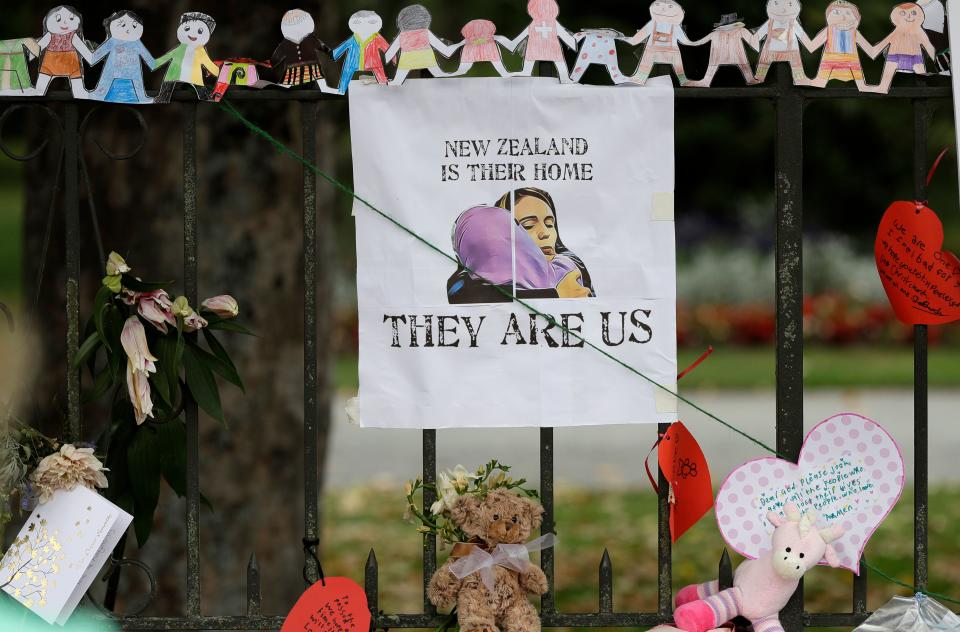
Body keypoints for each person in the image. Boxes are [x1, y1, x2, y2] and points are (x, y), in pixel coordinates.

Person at [447, 188, 594, 304]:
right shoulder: (466, 286)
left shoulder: (567, 268)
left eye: (550, 224)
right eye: (527, 226)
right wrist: (555, 295)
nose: (545, 233)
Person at [89, 10, 156, 104]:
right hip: (110, 85)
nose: (128, 29)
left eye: (134, 26)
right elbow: (94, 58)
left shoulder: (137, 43)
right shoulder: (112, 41)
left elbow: (151, 62)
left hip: (133, 88)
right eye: (123, 25)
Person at [867, 3, 937, 93]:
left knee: (921, 76)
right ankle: (883, 86)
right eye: (903, 13)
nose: (909, 16)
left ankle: (922, 90)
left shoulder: (918, 31)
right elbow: (882, 45)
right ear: (895, 16)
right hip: (894, 57)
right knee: (888, 74)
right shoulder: (897, 32)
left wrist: (936, 61)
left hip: (915, 57)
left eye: (914, 13)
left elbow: (928, 45)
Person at [808, 1, 876, 91]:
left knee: (860, 82)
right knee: (820, 81)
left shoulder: (854, 33)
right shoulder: (828, 31)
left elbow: (870, 51)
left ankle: (862, 86)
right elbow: (811, 46)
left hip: (851, 60)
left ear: (857, 18)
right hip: (830, 60)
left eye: (848, 13)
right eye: (836, 12)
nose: (843, 17)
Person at [385, 5, 461, 85]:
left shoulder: (402, 35)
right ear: (426, 19)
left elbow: (392, 50)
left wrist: (386, 59)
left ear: (402, 20)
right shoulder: (425, 32)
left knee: (399, 78)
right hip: (426, 57)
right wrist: (455, 46)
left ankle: (396, 81)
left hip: (407, 59)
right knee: (438, 73)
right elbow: (440, 47)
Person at [624, 0, 694, 86]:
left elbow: (684, 40)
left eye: (670, 7)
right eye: (658, 5)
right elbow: (639, 36)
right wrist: (627, 39)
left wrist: (695, 43)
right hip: (652, 50)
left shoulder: (675, 26)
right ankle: (639, 79)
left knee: (678, 66)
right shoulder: (652, 24)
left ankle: (683, 80)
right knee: (644, 66)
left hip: (670, 51)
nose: (664, 9)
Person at [503, 0, 577, 82]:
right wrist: (573, 43)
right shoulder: (553, 23)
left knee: (530, 62)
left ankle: (526, 73)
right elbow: (564, 35)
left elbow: (522, 35)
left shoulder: (534, 23)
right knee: (560, 63)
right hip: (552, 49)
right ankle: (565, 78)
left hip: (536, 49)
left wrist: (512, 44)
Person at [153, 12, 219, 102]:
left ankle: (205, 96)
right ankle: (163, 97)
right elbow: (169, 56)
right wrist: (155, 63)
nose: (193, 34)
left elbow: (206, 62)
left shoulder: (200, 50)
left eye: (200, 31)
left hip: (193, 73)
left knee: (199, 86)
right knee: (168, 85)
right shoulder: (180, 48)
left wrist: (216, 71)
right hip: (175, 71)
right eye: (187, 28)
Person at [271, 9, 337, 93]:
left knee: (317, 76)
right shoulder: (286, 44)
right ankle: (285, 86)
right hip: (293, 71)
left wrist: (332, 54)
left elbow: (323, 47)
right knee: (291, 79)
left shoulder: (310, 39)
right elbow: (275, 59)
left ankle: (324, 88)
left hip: (311, 69)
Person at [34, 5, 94, 98]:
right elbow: (37, 48)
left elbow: (84, 50)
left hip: (72, 65)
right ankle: (39, 91)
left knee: (78, 89)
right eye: (58, 19)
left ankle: (79, 92)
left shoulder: (74, 37)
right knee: (40, 88)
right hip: (50, 65)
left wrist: (92, 59)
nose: (65, 22)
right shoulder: (49, 36)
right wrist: (27, 55)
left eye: (71, 18)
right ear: (47, 21)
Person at [753, 0, 817, 86]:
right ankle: (759, 77)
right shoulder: (770, 23)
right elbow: (757, 36)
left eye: (790, 4)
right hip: (771, 50)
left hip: (790, 52)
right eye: (777, 3)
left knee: (797, 67)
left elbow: (803, 36)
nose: (783, 10)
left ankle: (799, 79)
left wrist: (811, 45)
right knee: (763, 65)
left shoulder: (793, 23)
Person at [686, 14, 760, 87]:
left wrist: (688, 42)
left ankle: (750, 79)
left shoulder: (740, 31)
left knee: (743, 66)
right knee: (743, 66)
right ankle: (750, 79)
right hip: (732, 55)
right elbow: (752, 39)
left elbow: (700, 42)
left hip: (729, 56)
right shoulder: (716, 34)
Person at [332, 11, 391, 93]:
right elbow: (344, 46)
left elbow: (386, 48)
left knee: (379, 71)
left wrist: (394, 58)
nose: (365, 26)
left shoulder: (376, 37)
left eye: (371, 22)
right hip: (353, 61)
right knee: (346, 72)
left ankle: (384, 88)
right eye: (358, 22)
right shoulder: (353, 38)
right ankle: (341, 90)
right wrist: (333, 55)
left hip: (373, 61)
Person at [449, 19, 514, 77]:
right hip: (488, 50)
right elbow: (507, 43)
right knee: (501, 69)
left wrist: (449, 49)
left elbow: (458, 45)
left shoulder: (469, 40)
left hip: (477, 51)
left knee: (463, 70)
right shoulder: (490, 38)